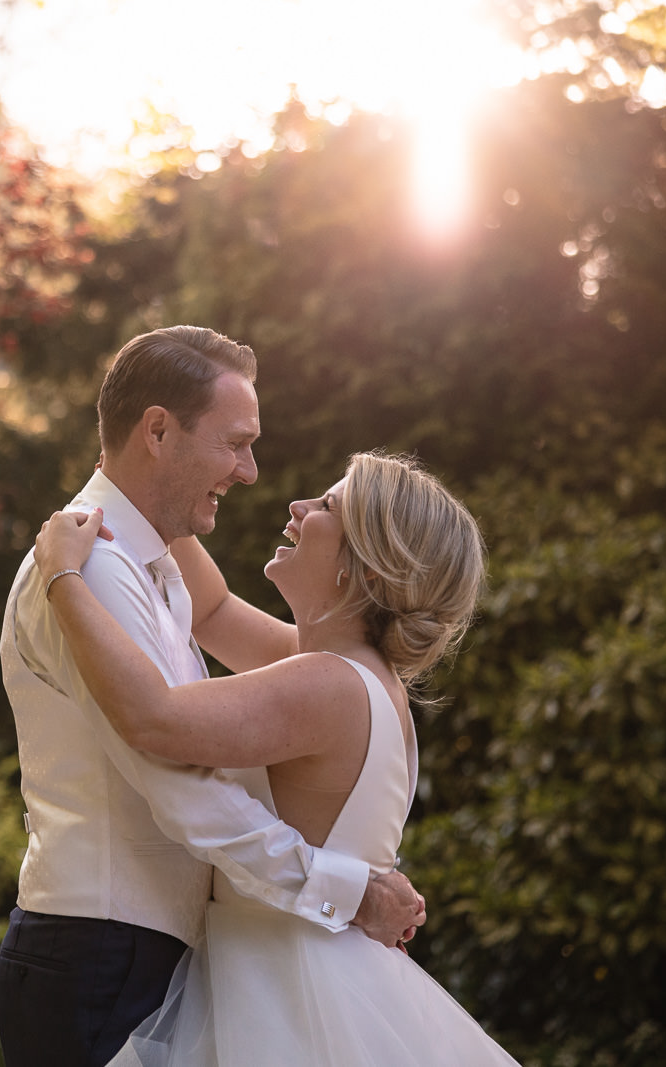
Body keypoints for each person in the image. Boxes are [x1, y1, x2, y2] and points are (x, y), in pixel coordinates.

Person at [0, 327, 426, 1067]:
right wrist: (347, 891)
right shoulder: (94, 572)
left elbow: (221, 618)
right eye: (235, 442)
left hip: (141, 954)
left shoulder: (150, 570)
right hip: (100, 952)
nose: (252, 472)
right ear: (158, 429)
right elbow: (178, 779)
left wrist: (147, 502)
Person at [33, 450, 519, 1065]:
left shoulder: (327, 686)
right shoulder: (355, 677)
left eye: (328, 507)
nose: (299, 506)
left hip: (283, 988)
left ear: (364, 569)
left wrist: (62, 579)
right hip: (313, 968)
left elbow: (152, 718)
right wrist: (135, 473)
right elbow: (210, 610)